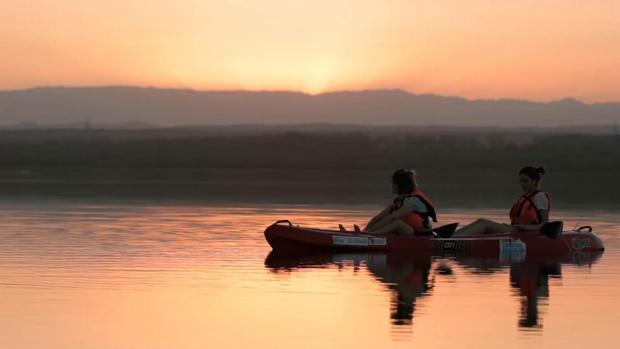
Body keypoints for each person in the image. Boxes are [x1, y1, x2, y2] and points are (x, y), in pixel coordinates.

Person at [453, 166, 550, 236]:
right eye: (520, 181)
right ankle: (450, 238)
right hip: (514, 229)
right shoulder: (527, 196)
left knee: (483, 223)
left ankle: (453, 241)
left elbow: (545, 225)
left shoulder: (540, 197)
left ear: (534, 181)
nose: (522, 184)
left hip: (520, 232)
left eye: (525, 181)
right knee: (480, 221)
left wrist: (525, 228)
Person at [356, 169, 437, 235]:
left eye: (394, 183)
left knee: (397, 223)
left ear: (401, 185)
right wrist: (365, 230)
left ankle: (369, 235)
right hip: (408, 232)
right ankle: (365, 234)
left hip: (421, 235)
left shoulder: (413, 201)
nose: (392, 185)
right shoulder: (398, 201)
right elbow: (379, 217)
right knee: (384, 221)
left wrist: (368, 233)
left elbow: (393, 217)